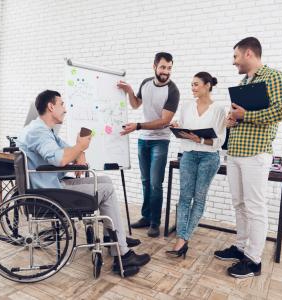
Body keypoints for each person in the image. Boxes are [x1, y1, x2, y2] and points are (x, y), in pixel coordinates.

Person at [16, 90, 151, 276]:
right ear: (51, 106)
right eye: (62, 104)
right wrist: (80, 146)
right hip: (49, 193)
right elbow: (60, 159)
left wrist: (79, 152)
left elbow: (66, 148)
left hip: (50, 185)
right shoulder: (38, 132)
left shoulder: (42, 129)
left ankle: (112, 237)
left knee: (105, 181)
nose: (65, 109)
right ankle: (121, 251)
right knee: (106, 188)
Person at [214, 37, 282, 278]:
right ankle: (240, 247)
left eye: (236, 56)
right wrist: (231, 120)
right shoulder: (243, 82)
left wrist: (246, 115)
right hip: (236, 152)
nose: (233, 61)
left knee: (255, 207)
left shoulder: (274, 77)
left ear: (248, 53)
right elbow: (241, 116)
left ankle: (254, 260)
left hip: (256, 153)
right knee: (239, 204)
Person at [117, 52, 180, 237]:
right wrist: (129, 91)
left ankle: (155, 222)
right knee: (145, 182)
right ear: (154, 67)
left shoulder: (173, 91)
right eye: (162, 67)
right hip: (144, 139)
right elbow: (136, 104)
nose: (166, 71)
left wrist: (137, 126)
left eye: (169, 68)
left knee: (155, 183)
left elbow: (164, 121)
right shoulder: (145, 83)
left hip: (160, 140)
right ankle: (146, 217)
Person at [165, 72, 226, 258]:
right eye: (191, 84)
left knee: (198, 199)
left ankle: (182, 239)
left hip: (209, 158)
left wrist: (198, 139)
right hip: (188, 155)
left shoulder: (218, 109)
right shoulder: (186, 106)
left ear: (207, 85)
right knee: (184, 198)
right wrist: (176, 126)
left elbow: (219, 141)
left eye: (196, 84)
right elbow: (183, 129)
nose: (192, 88)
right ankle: (182, 240)